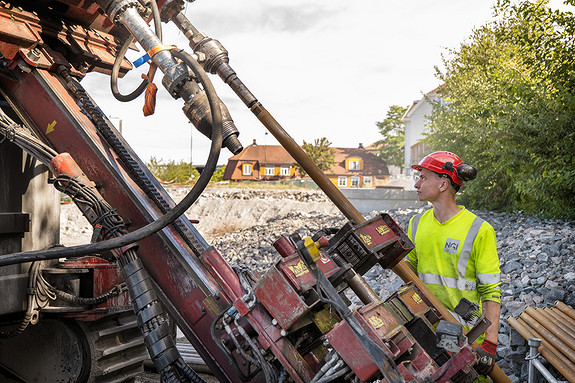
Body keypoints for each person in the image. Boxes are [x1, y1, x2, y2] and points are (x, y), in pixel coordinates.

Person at [406, 151, 501, 377]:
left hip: (464, 335)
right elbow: (407, 273)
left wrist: (490, 343)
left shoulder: (479, 229)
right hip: (425, 328)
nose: (417, 184)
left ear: (443, 184)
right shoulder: (417, 223)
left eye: (424, 178)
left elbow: (491, 290)